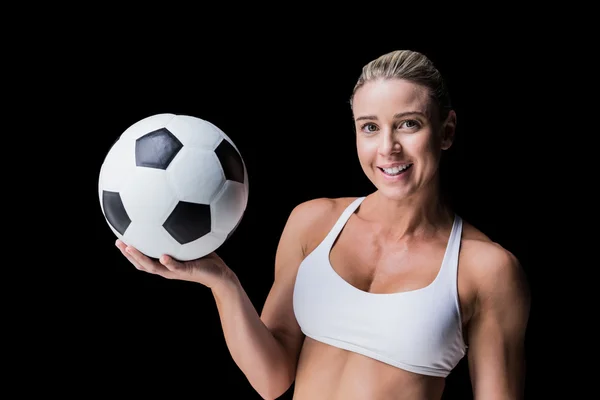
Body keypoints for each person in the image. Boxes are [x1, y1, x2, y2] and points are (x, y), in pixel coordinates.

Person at [115, 49, 531, 400]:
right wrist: (221, 281)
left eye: (408, 124)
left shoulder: (486, 269)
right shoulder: (313, 223)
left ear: (446, 131)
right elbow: (272, 379)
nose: (387, 148)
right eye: (370, 127)